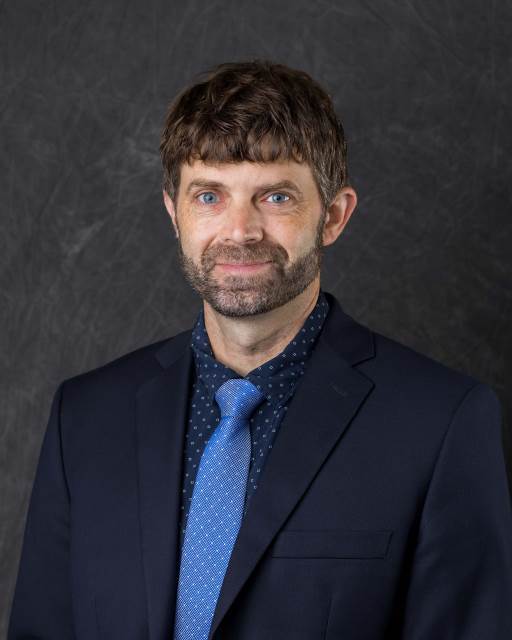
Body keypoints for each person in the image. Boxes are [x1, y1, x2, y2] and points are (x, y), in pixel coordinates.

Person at [8, 59, 512, 640]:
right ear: (174, 213)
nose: (239, 230)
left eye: (275, 197)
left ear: (333, 216)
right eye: (209, 196)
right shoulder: (86, 418)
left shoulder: (440, 424)